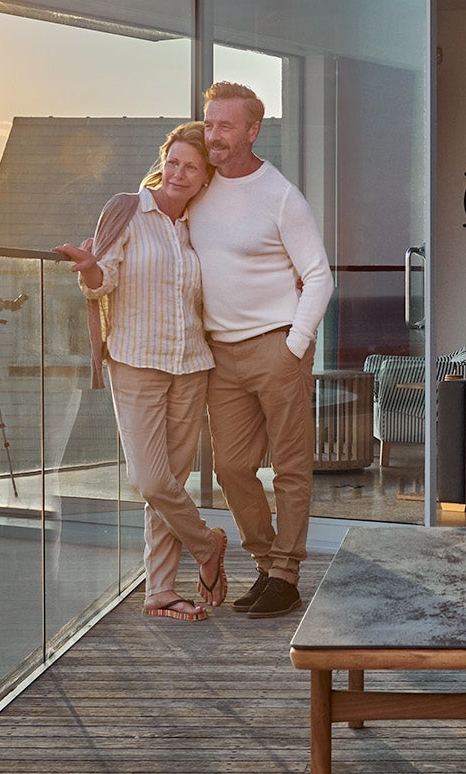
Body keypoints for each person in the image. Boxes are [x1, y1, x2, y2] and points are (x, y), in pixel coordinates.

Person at [59, 123, 230, 622]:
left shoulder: (199, 226)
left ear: (204, 179)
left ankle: (160, 590)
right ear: (164, 162)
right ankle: (208, 545)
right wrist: (90, 267)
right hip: (136, 362)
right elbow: (102, 281)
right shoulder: (128, 209)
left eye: (191, 167)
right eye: (173, 161)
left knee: (172, 480)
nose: (179, 173)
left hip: (192, 364)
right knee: (150, 480)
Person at [187, 80, 332, 618]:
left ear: (253, 130)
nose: (214, 135)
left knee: (291, 469)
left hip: (276, 346)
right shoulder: (200, 190)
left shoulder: (280, 195)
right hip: (221, 355)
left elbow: (319, 275)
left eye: (226, 125)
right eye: (209, 123)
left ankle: (286, 576)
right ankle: (267, 563)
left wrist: (293, 346)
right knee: (230, 469)